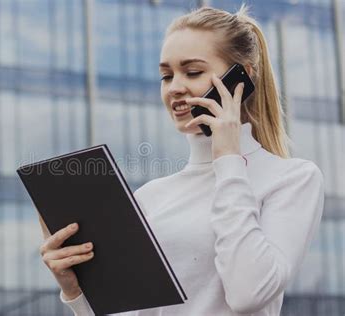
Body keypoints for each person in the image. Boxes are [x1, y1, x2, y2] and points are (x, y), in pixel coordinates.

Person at [37, 5, 325, 316]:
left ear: (241, 78)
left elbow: (248, 294)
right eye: (166, 75)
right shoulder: (149, 197)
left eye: (193, 72)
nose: (175, 88)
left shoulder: (292, 178)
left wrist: (228, 158)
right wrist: (76, 291)